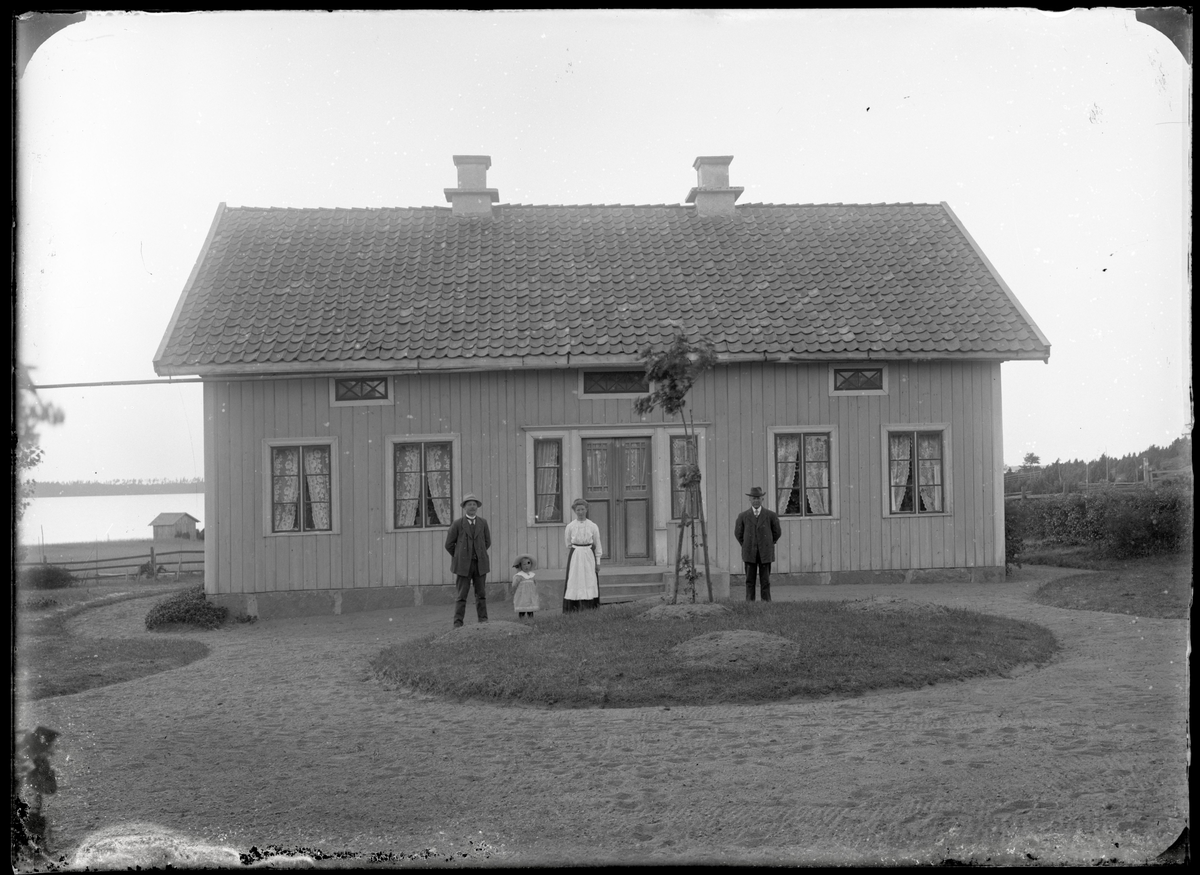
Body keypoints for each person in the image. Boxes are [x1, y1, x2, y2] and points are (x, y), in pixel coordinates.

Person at [445, 494, 491, 627]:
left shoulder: (483, 523)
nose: (472, 507)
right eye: (469, 504)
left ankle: (483, 620)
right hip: (463, 566)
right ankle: (458, 623)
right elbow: (449, 544)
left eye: (474, 504)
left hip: (480, 564)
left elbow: (487, 542)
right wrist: (460, 556)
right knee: (461, 596)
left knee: (481, 594)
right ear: (464, 507)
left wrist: (478, 553)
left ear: (477, 507)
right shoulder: (457, 524)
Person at [734, 486, 781, 601]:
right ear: (750, 499)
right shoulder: (743, 516)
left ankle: (766, 602)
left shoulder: (771, 515)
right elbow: (738, 534)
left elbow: (777, 532)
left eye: (758, 498)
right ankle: (750, 602)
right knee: (750, 580)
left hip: (765, 553)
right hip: (749, 552)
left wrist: (768, 543)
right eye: (754, 498)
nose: (756, 501)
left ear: (762, 499)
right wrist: (747, 544)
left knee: (765, 580)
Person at [562, 498, 602, 611]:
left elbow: (597, 544)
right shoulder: (570, 526)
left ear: (586, 509)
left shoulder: (593, 526)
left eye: (582, 509)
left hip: (589, 554)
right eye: (578, 510)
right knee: (575, 578)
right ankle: (574, 607)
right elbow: (568, 543)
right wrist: (578, 549)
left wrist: (598, 562)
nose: (580, 512)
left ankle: (589, 606)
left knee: (589, 577)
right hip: (576, 554)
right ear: (575, 511)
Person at [510, 553, 540, 619]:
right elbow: (514, 584)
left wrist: (536, 591)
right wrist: (513, 591)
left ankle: (530, 618)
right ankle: (521, 618)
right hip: (522, 595)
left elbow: (535, 583)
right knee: (522, 607)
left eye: (528, 564)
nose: (526, 566)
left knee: (530, 608)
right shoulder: (519, 576)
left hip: (531, 595)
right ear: (520, 566)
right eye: (524, 564)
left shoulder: (532, 575)